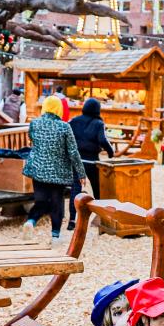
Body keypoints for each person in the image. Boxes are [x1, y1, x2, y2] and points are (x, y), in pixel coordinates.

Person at [23, 95, 86, 239]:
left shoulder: (34, 123)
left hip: (38, 169)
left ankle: (31, 221)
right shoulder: (64, 127)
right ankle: (55, 235)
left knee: (41, 200)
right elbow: (73, 152)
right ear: (59, 109)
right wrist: (81, 173)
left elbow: (32, 140)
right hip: (58, 172)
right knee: (57, 202)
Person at [67, 97, 114, 229]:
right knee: (97, 188)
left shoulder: (74, 121)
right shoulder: (98, 123)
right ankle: (101, 217)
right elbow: (102, 140)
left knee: (75, 190)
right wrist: (111, 153)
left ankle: (72, 221)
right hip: (92, 160)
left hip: (76, 160)